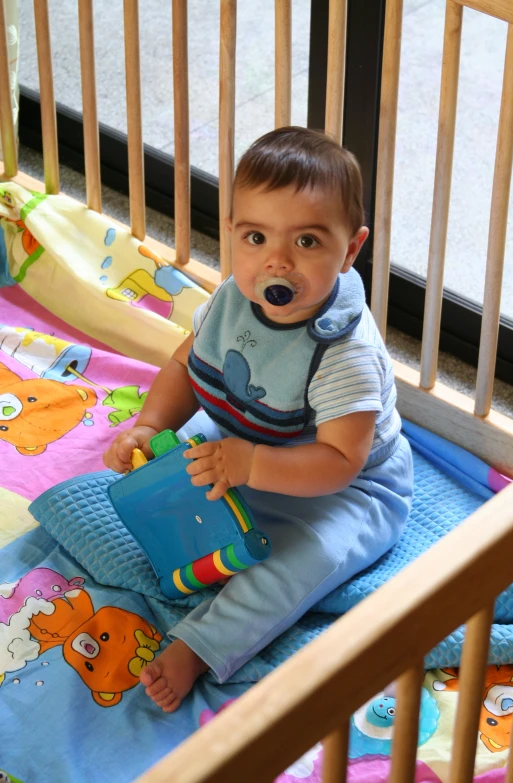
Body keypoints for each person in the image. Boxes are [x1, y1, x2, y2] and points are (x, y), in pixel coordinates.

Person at [103, 126, 414, 713]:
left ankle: (201, 644)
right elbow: (185, 365)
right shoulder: (230, 300)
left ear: (350, 251)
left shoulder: (342, 352)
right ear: (231, 234)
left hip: (344, 488)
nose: (276, 260)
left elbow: (340, 461)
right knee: (160, 462)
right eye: (255, 236)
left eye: (307, 242)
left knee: (305, 559)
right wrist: (148, 425)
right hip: (244, 440)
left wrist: (252, 464)